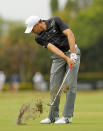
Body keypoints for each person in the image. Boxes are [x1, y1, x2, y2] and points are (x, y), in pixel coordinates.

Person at [25, 16, 80, 124]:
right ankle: (52, 116)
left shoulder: (55, 21)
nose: (32, 32)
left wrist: (72, 54)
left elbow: (70, 34)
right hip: (58, 57)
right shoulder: (38, 37)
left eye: (32, 29)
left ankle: (67, 117)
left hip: (72, 50)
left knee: (70, 85)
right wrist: (66, 58)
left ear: (37, 24)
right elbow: (53, 48)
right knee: (54, 85)